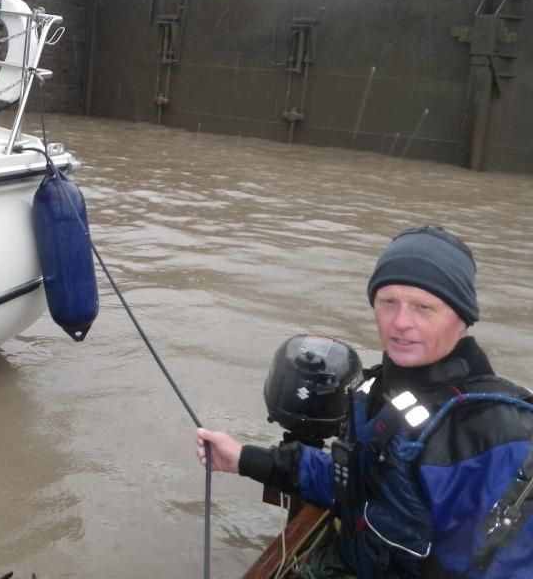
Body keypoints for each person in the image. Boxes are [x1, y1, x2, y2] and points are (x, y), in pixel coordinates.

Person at [197, 226, 533, 578]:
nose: (401, 322)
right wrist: (244, 459)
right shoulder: (376, 390)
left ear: (462, 318)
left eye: (423, 307)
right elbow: (354, 484)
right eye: (389, 302)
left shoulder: (501, 439)